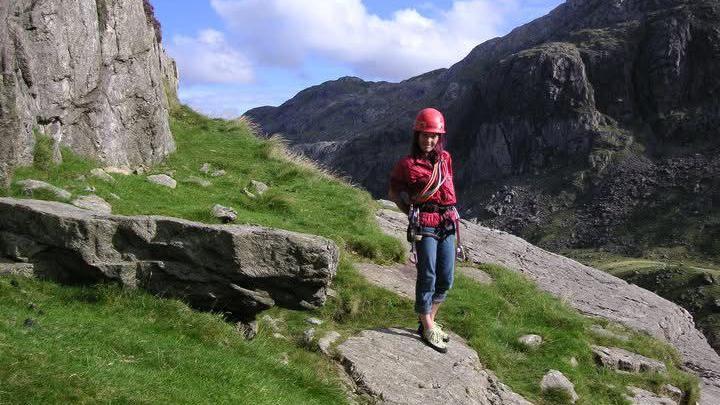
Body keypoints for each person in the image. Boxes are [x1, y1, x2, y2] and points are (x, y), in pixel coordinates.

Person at [388, 107, 459, 353]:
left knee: (446, 277)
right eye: (424, 135)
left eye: (434, 136)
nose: (429, 140)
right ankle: (428, 325)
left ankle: (426, 319)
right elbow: (394, 191)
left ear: (439, 137)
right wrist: (408, 210)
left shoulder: (445, 159)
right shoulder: (407, 165)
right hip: (425, 221)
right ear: (417, 135)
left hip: (448, 220)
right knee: (427, 274)